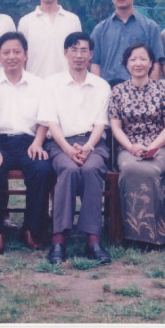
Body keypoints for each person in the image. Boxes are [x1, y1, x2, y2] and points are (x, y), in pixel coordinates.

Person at [38, 32, 112, 264]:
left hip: (93, 143)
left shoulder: (101, 85)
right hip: (60, 142)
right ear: (65, 53)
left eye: (84, 50)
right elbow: (51, 122)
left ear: (91, 54)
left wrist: (88, 147)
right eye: (73, 49)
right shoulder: (52, 83)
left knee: (91, 169)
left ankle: (93, 239)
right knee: (68, 169)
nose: (78, 55)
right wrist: (68, 149)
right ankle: (59, 239)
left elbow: (101, 123)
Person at [0, 32, 53, 255]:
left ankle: (31, 229)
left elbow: (44, 118)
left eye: (17, 52)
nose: (12, 56)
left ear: (25, 55)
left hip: (29, 141)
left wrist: (38, 143)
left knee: (42, 169)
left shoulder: (39, 84)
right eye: (6, 52)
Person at [108, 42, 165, 250]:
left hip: (161, 146)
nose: (138, 63)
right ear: (126, 64)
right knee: (130, 168)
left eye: (143, 59)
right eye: (133, 59)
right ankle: (132, 234)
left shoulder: (163, 89)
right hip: (128, 147)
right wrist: (131, 147)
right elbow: (116, 127)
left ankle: (155, 235)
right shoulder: (117, 91)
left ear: (151, 63)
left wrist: (153, 147)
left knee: (152, 170)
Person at [91, 0, 164, 87]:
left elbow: (155, 63)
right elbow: (95, 63)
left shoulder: (150, 27)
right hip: (108, 90)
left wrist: (151, 92)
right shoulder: (100, 30)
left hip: (140, 90)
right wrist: (99, 90)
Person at [18, 0, 82, 79]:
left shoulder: (73, 20)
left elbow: (79, 56)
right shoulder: (25, 22)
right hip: (36, 86)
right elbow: (21, 60)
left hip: (67, 85)